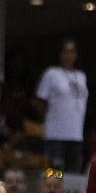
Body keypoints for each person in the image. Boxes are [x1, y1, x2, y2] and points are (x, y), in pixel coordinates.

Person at [35, 40, 86, 173]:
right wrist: (45, 121)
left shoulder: (81, 76)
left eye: (72, 51)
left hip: (75, 134)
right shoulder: (51, 73)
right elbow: (40, 101)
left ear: (76, 55)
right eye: (65, 51)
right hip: (55, 134)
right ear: (60, 54)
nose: (69, 55)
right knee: (54, 174)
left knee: (72, 174)